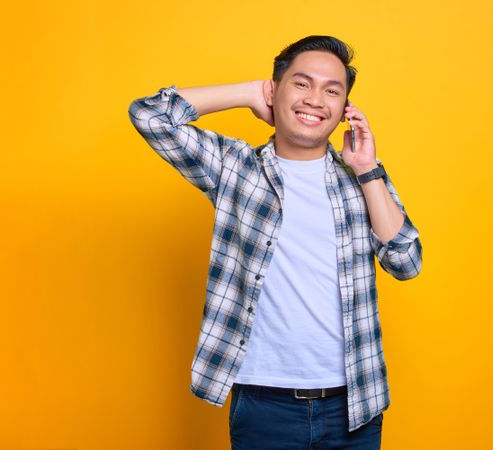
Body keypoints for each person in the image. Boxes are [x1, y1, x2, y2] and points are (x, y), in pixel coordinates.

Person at [128, 35, 422, 449]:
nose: (316, 99)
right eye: (301, 84)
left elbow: (406, 262)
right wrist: (249, 92)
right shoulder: (234, 168)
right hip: (264, 404)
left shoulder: (363, 178)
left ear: (343, 112)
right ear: (276, 90)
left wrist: (368, 169)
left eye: (331, 90)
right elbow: (149, 115)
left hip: (355, 403)